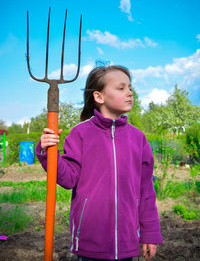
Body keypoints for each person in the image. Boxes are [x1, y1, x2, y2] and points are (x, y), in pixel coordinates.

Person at [36, 65, 163, 261]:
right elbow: (68, 178)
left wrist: (150, 233)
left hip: (127, 243)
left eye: (130, 87)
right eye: (121, 88)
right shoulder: (80, 134)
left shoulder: (138, 139)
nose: (130, 92)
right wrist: (47, 153)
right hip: (90, 244)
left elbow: (146, 191)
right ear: (99, 97)